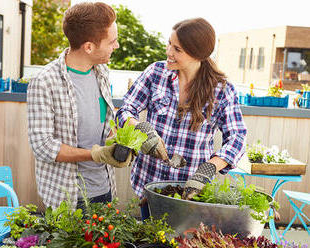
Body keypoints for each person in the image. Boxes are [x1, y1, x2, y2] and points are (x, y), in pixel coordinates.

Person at [116, 17, 247, 220]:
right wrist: (139, 127)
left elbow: (238, 137)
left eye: (177, 49)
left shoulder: (222, 90)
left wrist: (210, 167)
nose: (169, 52)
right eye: (169, 43)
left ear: (198, 54)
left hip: (191, 194)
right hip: (148, 184)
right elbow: (125, 110)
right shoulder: (155, 74)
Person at [27, 2, 133, 210]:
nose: (117, 46)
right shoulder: (44, 82)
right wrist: (93, 154)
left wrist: (116, 142)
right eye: (112, 41)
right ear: (89, 47)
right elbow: (42, 146)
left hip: (105, 187)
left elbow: (103, 124)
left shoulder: (101, 73)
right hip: (67, 196)